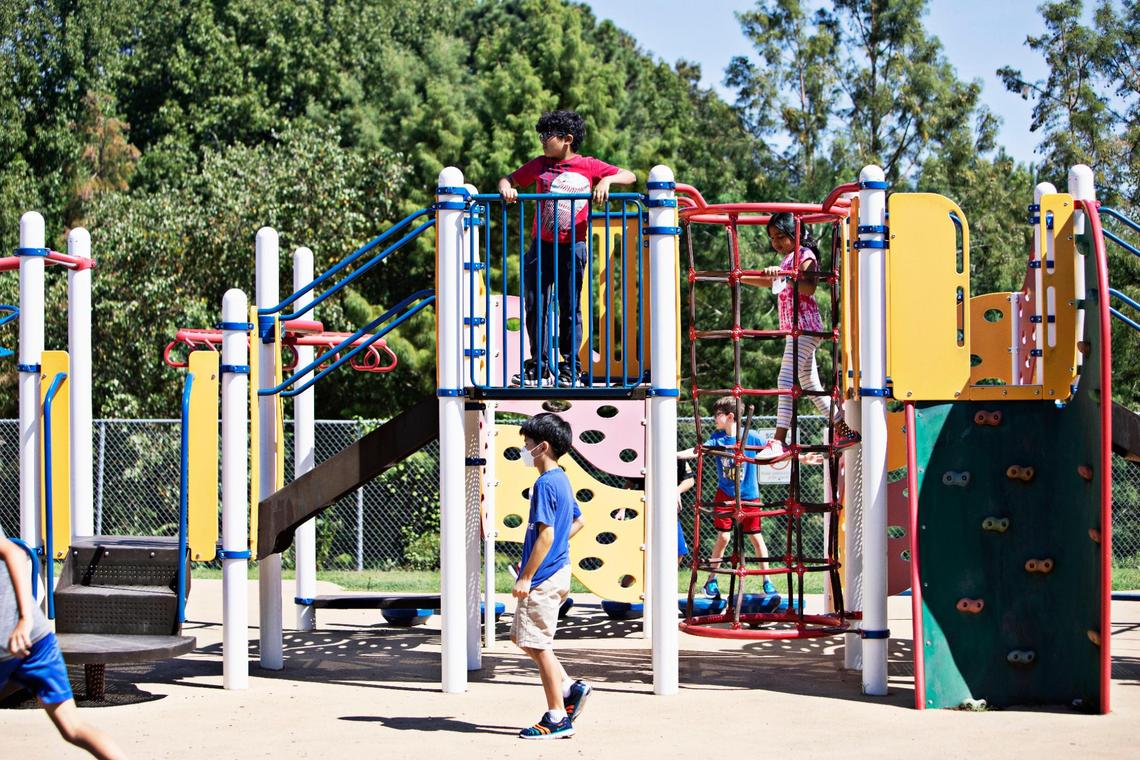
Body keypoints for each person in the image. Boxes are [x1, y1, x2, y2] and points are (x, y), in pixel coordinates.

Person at [498, 110, 637, 387]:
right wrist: (506, 189)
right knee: (536, 305)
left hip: (573, 246)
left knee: (569, 307)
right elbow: (507, 179)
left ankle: (569, 368)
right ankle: (537, 366)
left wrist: (607, 180)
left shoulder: (588, 166)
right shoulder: (540, 165)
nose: (542, 141)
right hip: (541, 247)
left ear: (566, 139)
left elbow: (629, 176)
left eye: (546, 136)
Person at [1, 527, 126, 759]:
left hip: (20, 642)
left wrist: (24, 618)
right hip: (36, 641)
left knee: (73, 728)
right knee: (73, 728)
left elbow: (14, 553)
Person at [743, 212, 860, 460]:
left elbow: (809, 286)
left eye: (781, 237)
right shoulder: (787, 260)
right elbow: (769, 283)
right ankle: (845, 431)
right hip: (795, 331)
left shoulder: (805, 256)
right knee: (810, 386)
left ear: (795, 234)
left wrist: (785, 277)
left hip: (805, 328)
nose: (776, 242)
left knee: (785, 379)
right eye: (772, 238)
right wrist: (741, 277)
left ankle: (779, 440)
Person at [511, 413, 590, 740]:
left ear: (542, 447)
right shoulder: (562, 478)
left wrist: (526, 575)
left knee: (538, 644)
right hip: (558, 571)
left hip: (543, 576)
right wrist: (555, 547)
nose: (524, 449)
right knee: (522, 637)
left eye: (527, 444)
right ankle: (571, 688)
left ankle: (558, 716)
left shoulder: (544, 484)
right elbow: (578, 521)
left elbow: (545, 535)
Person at [678, 396, 778, 600]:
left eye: (718, 415)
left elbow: (773, 450)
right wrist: (673, 454)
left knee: (756, 538)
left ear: (730, 417)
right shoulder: (717, 438)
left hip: (749, 495)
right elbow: (698, 451)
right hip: (725, 495)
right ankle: (711, 581)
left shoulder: (751, 437)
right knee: (724, 537)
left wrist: (800, 457)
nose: (714, 418)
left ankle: (767, 580)